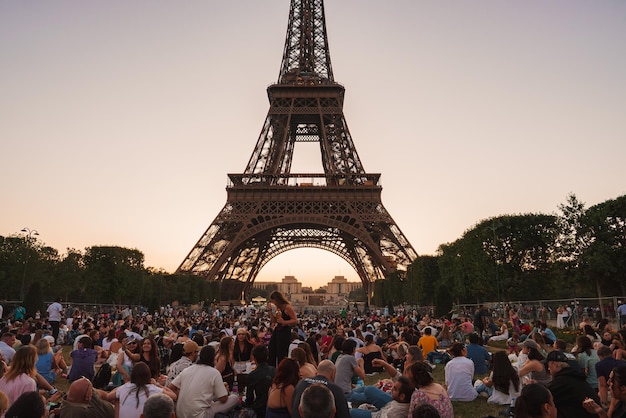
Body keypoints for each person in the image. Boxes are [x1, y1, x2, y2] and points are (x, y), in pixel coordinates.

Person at [167, 345, 238, 418]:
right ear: (213, 358)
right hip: (200, 414)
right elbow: (223, 399)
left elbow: (171, 387)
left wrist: (183, 396)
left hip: (180, 413)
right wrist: (225, 392)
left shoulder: (187, 370)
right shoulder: (214, 372)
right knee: (234, 398)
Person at [104, 362, 176, 418]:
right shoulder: (153, 389)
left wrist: (124, 387)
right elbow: (174, 396)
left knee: (117, 399)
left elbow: (108, 396)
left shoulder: (125, 388)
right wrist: (157, 384)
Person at [545, 350, 599, 418]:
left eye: (549, 365)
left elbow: (543, 396)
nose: (548, 369)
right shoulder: (573, 377)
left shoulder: (562, 381)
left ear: (555, 364)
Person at [268, 291, 298, 367]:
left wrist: (284, 322)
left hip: (285, 331)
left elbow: (295, 320)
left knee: (282, 352)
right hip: (278, 330)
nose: (272, 302)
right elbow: (273, 321)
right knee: (272, 349)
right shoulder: (276, 308)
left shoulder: (287, 307)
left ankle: (281, 368)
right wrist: (270, 311)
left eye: (273, 300)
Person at [245, 344, 276, 418]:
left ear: (254, 358)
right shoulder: (275, 371)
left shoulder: (252, 375)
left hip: (259, 409)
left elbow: (249, 398)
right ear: (267, 356)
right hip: (273, 407)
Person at [334, 339, 366, 404]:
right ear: (353, 349)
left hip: (339, 392)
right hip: (346, 394)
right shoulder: (350, 358)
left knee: (365, 389)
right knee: (369, 396)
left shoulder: (340, 357)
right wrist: (361, 364)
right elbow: (362, 376)